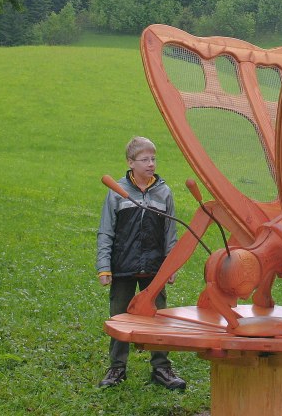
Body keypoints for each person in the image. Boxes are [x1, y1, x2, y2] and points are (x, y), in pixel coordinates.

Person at [96, 136, 186, 390]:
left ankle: (161, 368)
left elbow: (170, 234)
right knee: (119, 318)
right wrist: (104, 267)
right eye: (144, 159)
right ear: (130, 162)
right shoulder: (117, 192)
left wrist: (171, 266)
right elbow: (106, 231)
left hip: (155, 270)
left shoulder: (164, 192)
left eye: (153, 159)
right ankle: (116, 368)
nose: (151, 164)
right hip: (123, 267)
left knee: (158, 317)